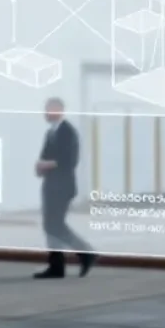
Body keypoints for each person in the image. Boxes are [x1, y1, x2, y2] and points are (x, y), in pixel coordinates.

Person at [33, 97, 96, 279]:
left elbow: (70, 161)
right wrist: (40, 167)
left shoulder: (68, 132)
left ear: (59, 110)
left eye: (49, 109)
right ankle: (56, 266)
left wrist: (47, 165)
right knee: (49, 226)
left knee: (56, 225)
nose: (45, 113)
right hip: (50, 185)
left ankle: (86, 253)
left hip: (63, 187)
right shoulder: (50, 133)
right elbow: (45, 157)